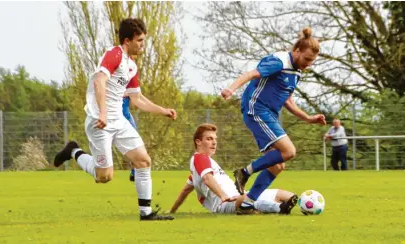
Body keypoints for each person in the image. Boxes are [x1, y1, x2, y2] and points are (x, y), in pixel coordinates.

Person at [53, 18, 176, 221]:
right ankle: (73, 151)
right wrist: (102, 113)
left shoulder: (132, 66)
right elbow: (99, 81)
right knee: (104, 177)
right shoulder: (114, 54)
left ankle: (146, 213)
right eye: (140, 40)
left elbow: (137, 99)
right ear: (127, 40)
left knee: (143, 161)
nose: (142, 45)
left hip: (118, 121)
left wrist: (163, 110)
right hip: (99, 122)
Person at [220, 27, 326, 210]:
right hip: (256, 109)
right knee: (289, 151)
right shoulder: (278, 62)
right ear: (297, 50)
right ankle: (244, 172)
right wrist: (231, 88)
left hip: (269, 114)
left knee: (277, 166)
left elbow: (288, 100)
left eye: (312, 61)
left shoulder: (297, 72)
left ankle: (247, 204)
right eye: (307, 59)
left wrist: (308, 118)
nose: (309, 64)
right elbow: (252, 74)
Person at [168, 123, 298, 215]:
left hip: (240, 196)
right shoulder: (199, 158)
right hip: (226, 204)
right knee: (245, 201)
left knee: (288, 192)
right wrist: (223, 196)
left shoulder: (201, 168)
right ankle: (277, 208)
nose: (214, 143)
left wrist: (172, 211)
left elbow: (186, 190)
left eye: (215, 139)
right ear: (198, 142)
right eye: (209, 139)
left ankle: (259, 206)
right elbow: (208, 179)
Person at [122, 95, 136, 182]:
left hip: (127, 119)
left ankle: (134, 172)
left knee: (135, 147)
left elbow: (137, 101)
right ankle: (98, 170)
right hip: (109, 119)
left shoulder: (129, 84)